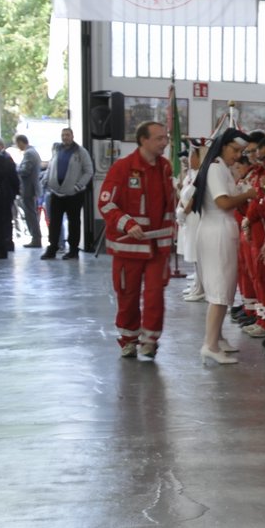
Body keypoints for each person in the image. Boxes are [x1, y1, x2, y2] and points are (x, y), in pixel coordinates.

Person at [98, 122, 176, 359]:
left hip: (156, 247)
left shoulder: (165, 167)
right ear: (143, 140)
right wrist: (127, 224)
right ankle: (129, 339)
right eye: (159, 138)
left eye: (166, 138)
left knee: (154, 296)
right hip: (128, 248)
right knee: (127, 295)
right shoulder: (122, 168)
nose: (164, 142)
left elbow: (168, 205)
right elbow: (106, 204)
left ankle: (150, 341)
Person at [191, 129, 258, 365]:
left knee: (224, 287)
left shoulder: (222, 168)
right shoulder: (216, 168)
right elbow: (222, 202)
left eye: (241, 152)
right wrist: (249, 194)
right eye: (235, 150)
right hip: (216, 231)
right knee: (219, 290)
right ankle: (209, 345)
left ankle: (217, 337)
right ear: (223, 146)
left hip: (220, 230)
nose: (238, 156)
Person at [43, 128, 93, 260]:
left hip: (74, 195)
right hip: (56, 193)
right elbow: (50, 166)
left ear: (72, 136)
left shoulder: (81, 152)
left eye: (67, 135)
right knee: (54, 222)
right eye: (63, 135)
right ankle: (52, 248)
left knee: (74, 223)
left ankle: (73, 250)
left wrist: (78, 186)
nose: (65, 137)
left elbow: (89, 171)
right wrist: (47, 180)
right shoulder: (56, 150)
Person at [179, 146, 204, 301]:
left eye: (191, 156)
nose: (189, 159)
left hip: (195, 217)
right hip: (189, 219)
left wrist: (184, 211)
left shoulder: (201, 175)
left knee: (198, 254)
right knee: (194, 255)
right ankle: (198, 285)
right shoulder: (192, 174)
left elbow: (195, 197)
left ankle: (202, 288)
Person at [14, 134, 43, 249]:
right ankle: (36, 238)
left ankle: (36, 238)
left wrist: (15, 168)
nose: (17, 146)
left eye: (17, 144)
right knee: (32, 213)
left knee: (30, 214)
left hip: (29, 189)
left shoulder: (29, 153)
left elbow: (25, 170)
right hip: (32, 188)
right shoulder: (33, 152)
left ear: (21, 142)